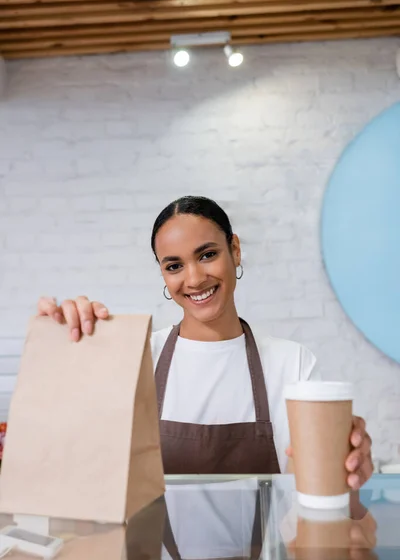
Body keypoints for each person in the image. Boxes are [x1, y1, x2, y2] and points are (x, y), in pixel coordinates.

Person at [37, 196, 373, 485]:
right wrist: (69, 345)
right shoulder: (138, 358)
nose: (195, 279)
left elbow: (327, 507)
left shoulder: (292, 365)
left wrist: (349, 475)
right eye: (174, 266)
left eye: (207, 254)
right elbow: (75, 461)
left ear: (235, 250)